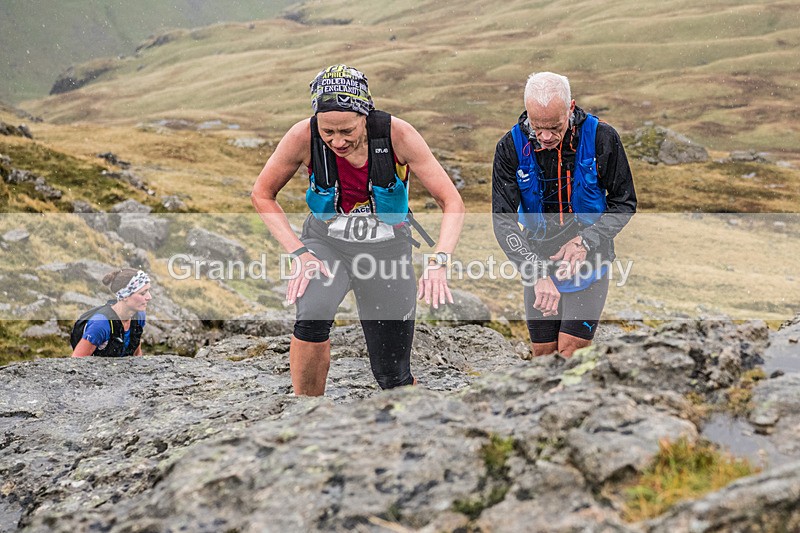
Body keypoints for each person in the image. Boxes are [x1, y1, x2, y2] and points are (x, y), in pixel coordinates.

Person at [251, 64, 464, 396]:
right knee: (312, 317)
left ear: (366, 115)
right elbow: (262, 194)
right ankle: (306, 413)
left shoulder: (399, 135)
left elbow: (451, 200)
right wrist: (299, 252)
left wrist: (439, 261)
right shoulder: (301, 136)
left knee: (392, 376)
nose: (338, 141)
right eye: (328, 132)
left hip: (387, 251)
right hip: (326, 245)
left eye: (347, 131)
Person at [492, 71, 636, 357]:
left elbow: (624, 202)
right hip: (537, 258)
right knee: (543, 356)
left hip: (591, 260)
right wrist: (536, 272)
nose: (545, 137)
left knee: (570, 351)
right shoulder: (509, 147)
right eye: (537, 127)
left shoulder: (602, 138)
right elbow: (503, 222)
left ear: (571, 108)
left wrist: (585, 241)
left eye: (555, 127)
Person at [70, 268, 151, 357]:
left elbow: (136, 350)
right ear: (125, 296)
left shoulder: (139, 315)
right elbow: (77, 360)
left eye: (148, 291)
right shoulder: (101, 324)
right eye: (142, 293)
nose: (149, 297)